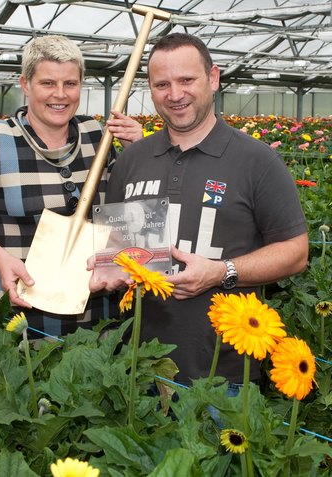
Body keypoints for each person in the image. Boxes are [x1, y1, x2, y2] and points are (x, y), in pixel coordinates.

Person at [91, 33, 309, 385]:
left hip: (223, 374)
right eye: (162, 84)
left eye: (187, 80)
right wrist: (108, 266)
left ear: (213, 78)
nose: (175, 95)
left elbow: (296, 254)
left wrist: (220, 272)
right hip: (139, 368)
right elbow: (118, 245)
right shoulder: (131, 160)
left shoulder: (258, 161)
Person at [0, 35, 143, 337]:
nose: (60, 95)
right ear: (25, 84)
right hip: (18, 307)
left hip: (97, 310)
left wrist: (138, 151)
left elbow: (129, 210)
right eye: (48, 83)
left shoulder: (98, 136)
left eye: (71, 84)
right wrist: (0, 259)